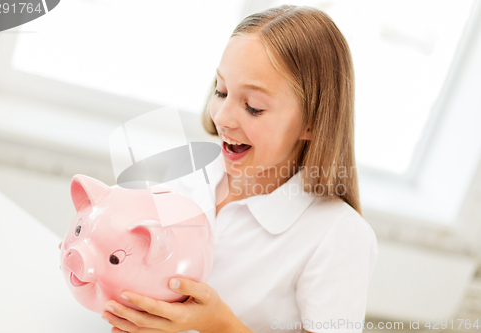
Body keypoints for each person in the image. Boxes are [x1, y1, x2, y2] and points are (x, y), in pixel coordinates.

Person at [61, 4, 378, 333]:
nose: (222, 117)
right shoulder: (184, 171)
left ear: (312, 122)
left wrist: (219, 325)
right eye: (221, 90)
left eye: (253, 107)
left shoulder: (339, 236)